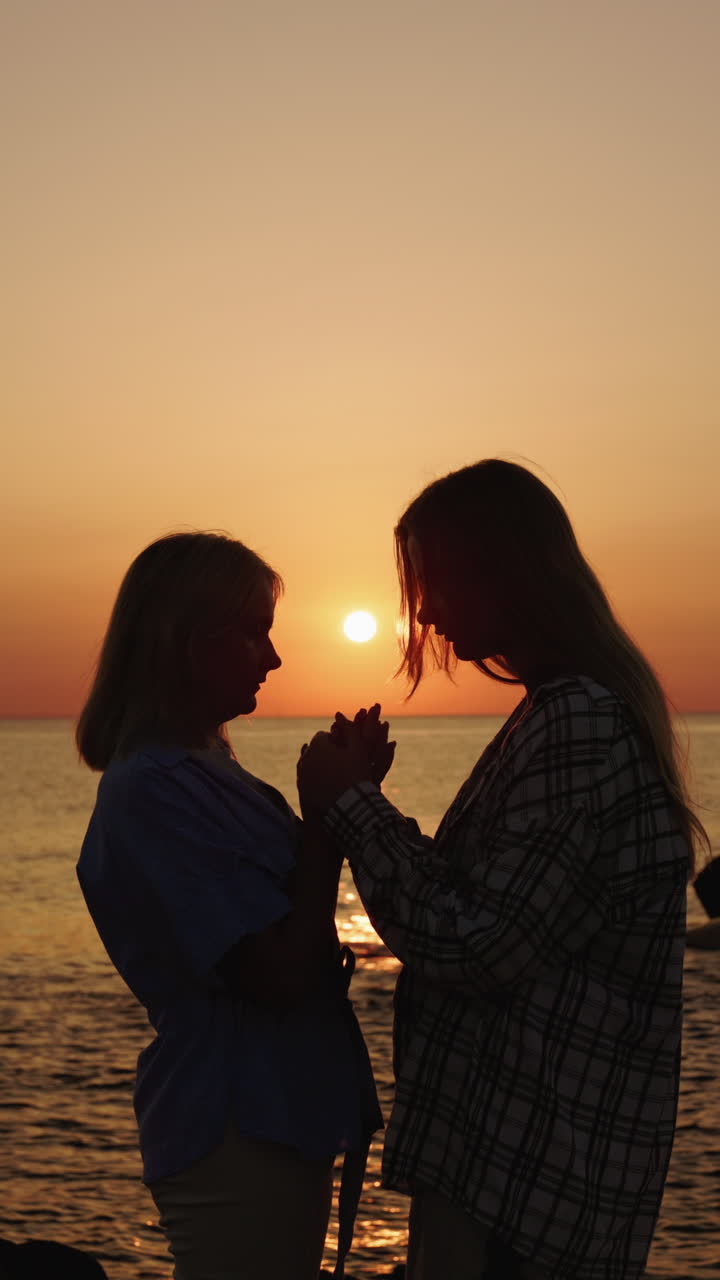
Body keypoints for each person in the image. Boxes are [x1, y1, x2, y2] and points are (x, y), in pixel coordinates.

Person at [297, 459, 708, 1280]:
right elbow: (483, 910)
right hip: (528, 1188)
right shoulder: (564, 713)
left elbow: (476, 944)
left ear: (504, 571)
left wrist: (351, 809)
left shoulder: (578, 724)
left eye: (438, 580)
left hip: (528, 1202)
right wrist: (367, 803)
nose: (426, 610)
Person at [75, 531, 382, 1280]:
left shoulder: (212, 775)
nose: (272, 659)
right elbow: (273, 972)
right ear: (184, 642)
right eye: (252, 634)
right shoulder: (150, 790)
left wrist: (333, 811)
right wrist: (329, 818)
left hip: (274, 1114)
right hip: (236, 1121)